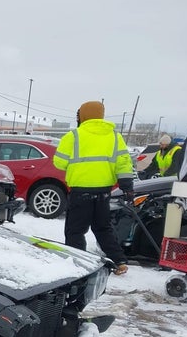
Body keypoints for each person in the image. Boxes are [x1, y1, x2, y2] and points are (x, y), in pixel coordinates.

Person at [53, 101, 135, 276]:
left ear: (82, 115)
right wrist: (127, 186)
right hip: (103, 191)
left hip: (80, 191)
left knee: (75, 231)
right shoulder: (114, 136)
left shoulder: (73, 136)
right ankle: (119, 261)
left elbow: (59, 162)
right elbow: (124, 163)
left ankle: (77, 262)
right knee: (103, 227)